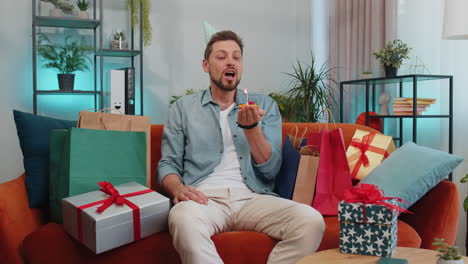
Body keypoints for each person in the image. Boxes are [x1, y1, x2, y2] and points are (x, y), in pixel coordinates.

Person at [158, 30, 325, 264]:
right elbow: (168, 163)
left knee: (311, 221)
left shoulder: (265, 105)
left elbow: (270, 170)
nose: (230, 62)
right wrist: (177, 189)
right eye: (222, 56)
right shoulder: (183, 108)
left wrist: (252, 128)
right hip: (204, 199)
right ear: (206, 65)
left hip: (253, 197)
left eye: (237, 57)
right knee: (182, 219)